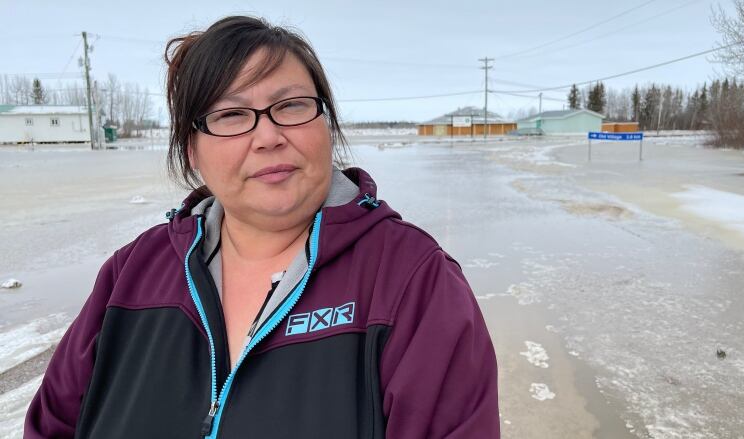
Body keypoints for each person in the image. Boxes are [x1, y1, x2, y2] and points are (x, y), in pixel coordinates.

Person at [25, 16, 499, 439]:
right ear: (192, 151)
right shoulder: (130, 275)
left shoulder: (411, 280)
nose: (269, 136)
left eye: (291, 106)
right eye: (231, 115)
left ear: (326, 124)